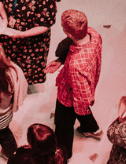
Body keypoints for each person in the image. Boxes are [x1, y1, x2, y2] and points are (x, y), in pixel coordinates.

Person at [46, 9, 103, 161]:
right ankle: (91, 128)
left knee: (63, 125)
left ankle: (63, 156)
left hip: (68, 96)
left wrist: (80, 109)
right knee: (81, 110)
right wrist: (60, 61)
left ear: (69, 35)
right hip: (90, 79)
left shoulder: (76, 67)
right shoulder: (94, 35)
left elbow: (82, 98)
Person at [0, 0, 57, 85]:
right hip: (8, 33)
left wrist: (22, 34)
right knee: (4, 62)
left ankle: (20, 86)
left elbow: (45, 25)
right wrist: (4, 18)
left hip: (30, 41)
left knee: (26, 69)